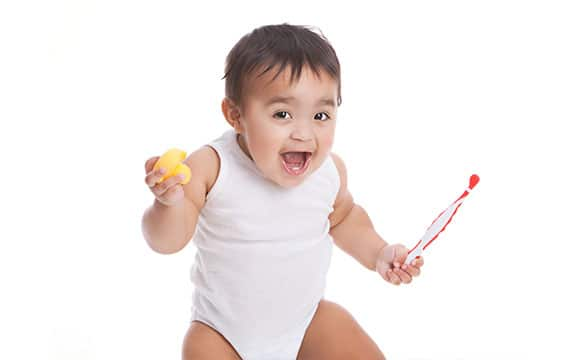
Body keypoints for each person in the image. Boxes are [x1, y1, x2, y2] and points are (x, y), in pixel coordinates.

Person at [141, 23, 424, 360]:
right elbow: (166, 242)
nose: (303, 133)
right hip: (222, 335)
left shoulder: (329, 172)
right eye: (282, 114)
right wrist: (168, 204)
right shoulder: (211, 167)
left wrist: (379, 253)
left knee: (351, 340)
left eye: (321, 115)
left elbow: (346, 218)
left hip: (304, 324)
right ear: (236, 116)